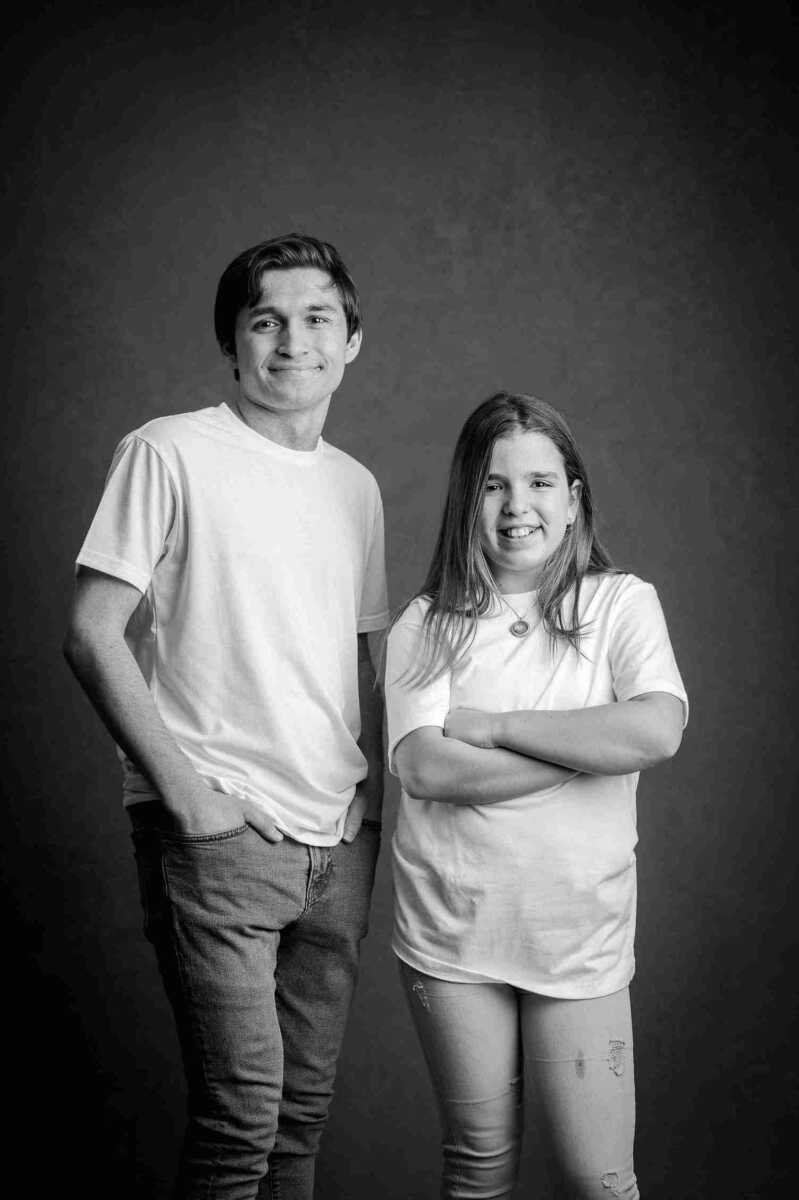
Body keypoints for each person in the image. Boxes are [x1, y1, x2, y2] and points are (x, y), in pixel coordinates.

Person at [63, 233, 388, 1200]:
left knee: (298, 1123)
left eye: (316, 318)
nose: (293, 341)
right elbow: (89, 633)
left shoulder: (355, 486)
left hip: (338, 842)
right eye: (266, 320)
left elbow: (366, 663)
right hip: (221, 837)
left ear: (352, 340)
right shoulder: (168, 450)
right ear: (234, 343)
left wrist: (379, 806)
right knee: (240, 1120)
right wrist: (188, 800)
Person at [384, 392, 687, 1199]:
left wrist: (495, 726)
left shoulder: (621, 603)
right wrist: (587, 747)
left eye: (540, 482)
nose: (518, 506)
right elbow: (425, 769)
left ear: (573, 494)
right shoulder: (427, 622)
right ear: (465, 500)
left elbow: (655, 732)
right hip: (454, 938)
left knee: (600, 1180)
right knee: (477, 1171)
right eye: (492, 485)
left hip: (575, 940)